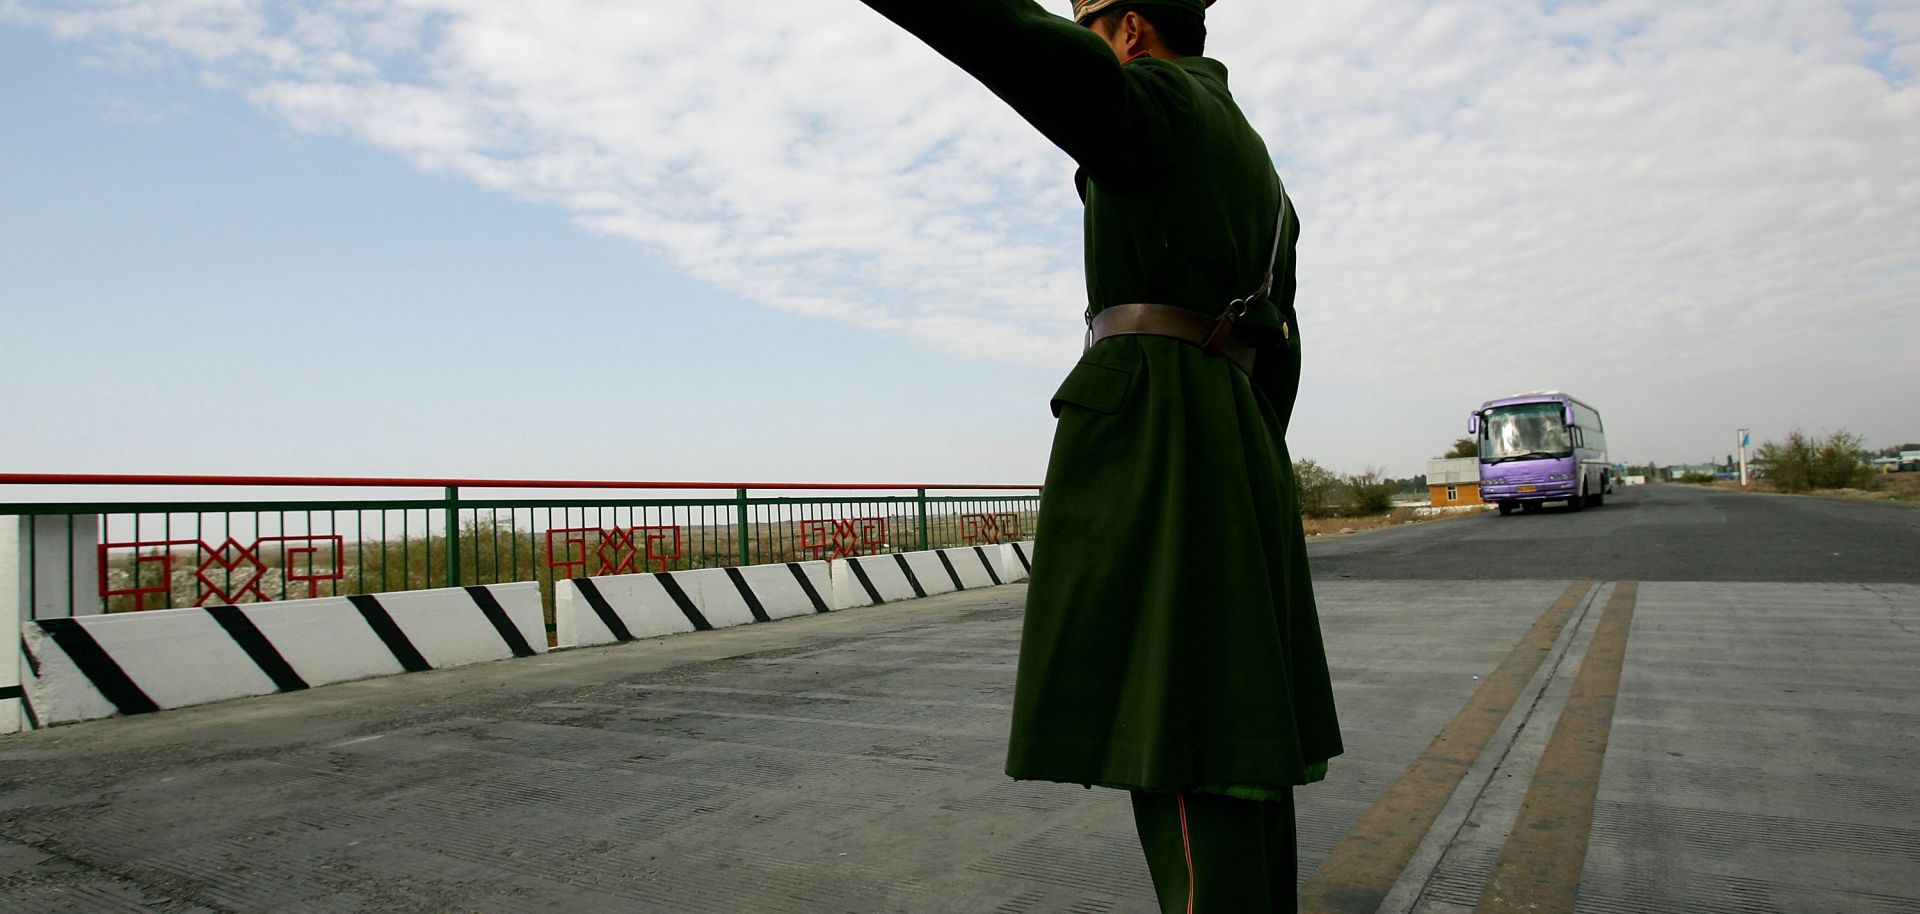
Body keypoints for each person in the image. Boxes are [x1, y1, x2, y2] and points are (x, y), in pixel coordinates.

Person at [852, 1, 1343, 910]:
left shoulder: (1159, 100)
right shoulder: (1264, 176)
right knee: (1237, 738)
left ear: (1128, 32)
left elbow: (1027, 50)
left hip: (1165, 440)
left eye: (1085, 19)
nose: (1080, 36)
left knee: (1188, 734)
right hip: (1235, 444)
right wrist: (1237, 457)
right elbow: (1285, 354)